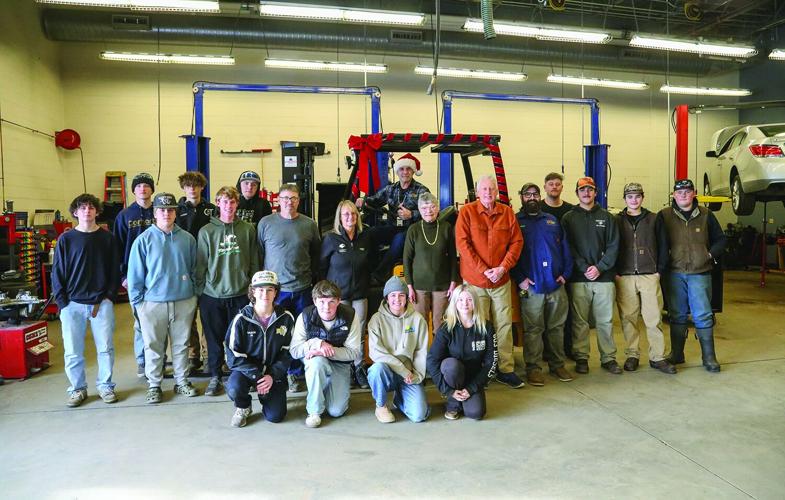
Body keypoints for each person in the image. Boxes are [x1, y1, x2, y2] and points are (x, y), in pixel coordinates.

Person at [127, 193, 200, 403]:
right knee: (153, 346)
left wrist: (193, 296)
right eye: (162, 210)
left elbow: (195, 269)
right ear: (155, 213)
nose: (166, 213)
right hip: (152, 303)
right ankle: (154, 385)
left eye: (170, 210)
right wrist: (138, 305)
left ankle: (182, 381)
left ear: (176, 213)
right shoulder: (143, 240)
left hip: (183, 300)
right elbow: (135, 276)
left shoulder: (187, 239)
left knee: (181, 344)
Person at [455, 175, 524, 388]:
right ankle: (481, 370)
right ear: (477, 193)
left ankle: (505, 369)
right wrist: (484, 270)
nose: (488, 193)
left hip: (501, 280)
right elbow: (463, 245)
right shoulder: (467, 212)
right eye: (484, 189)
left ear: (496, 191)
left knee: (504, 324)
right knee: (478, 326)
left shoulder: (507, 213)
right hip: (475, 281)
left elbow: (517, 242)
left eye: (491, 189)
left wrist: (503, 267)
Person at [52, 194, 120, 407]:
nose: (87, 211)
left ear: (97, 211)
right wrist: (63, 303)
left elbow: (115, 270)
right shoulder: (66, 239)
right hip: (72, 304)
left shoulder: (108, 238)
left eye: (91, 207)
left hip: (101, 304)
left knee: (105, 348)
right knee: (73, 352)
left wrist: (109, 296)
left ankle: (105, 386)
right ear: (75, 212)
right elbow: (57, 272)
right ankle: (77, 389)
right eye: (82, 208)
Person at [195, 186, 260, 397]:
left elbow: (254, 261)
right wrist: (201, 292)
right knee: (214, 339)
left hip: (240, 294)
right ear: (218, 203)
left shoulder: (248, 230)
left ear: (237, 204)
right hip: (212, 295)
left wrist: (253, 290)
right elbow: (200, 265)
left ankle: (240, 374)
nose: (229, 206)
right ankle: (215, 376)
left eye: (232, 202)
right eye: (225, 202)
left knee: (241, 338)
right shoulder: (206, 232)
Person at [657, 179, 727, 372]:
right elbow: (657, 241)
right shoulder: (664, 216)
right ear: (674, 195)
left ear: (694, 193)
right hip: (674, 273)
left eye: (687, 191)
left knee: (703, 314)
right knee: (676, 314)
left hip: (700, 273)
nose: (683, 195)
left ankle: (709, 357)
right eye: (679, 192)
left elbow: (721, 240)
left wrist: (708, 255)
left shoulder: (706, 215)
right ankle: (677, 354)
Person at [258, 183, 321, 392]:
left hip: (302, 288)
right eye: (285, 198)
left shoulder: (309, 224)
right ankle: (277, 372)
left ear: (298, 201)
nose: (289, 202)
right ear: (278, 200)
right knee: (278, 333)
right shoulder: (266, 223)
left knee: (301, 332)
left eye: (293, 198)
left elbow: (316, 254)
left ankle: (296, 372)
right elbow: (259, 254)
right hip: (276, 291)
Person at [510, 183, 574, 386]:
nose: (531, 197)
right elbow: (510, 253)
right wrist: (520, 278)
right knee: (533, 330)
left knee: (556, 328)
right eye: (527, 194)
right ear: (521, 197)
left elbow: (565, 248)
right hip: (532, 287)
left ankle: (557, 365)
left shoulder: (551, 220)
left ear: (540, 196)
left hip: (556, 285)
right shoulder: (515, 222)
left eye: (535, 194)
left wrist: (566, 274)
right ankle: (533, 368)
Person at [615, 183, 676, 375]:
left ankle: (657, 356)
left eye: (637, 196)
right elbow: (611, 245)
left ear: (643, 197)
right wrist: (615, 271)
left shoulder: (654, 219)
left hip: (649, 274)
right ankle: (632, 354)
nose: (634, 200)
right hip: (625, 276)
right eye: (630, 196)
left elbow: (664, 245)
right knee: (628, 318)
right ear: (624, 199)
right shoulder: (617, 220)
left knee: (653, 317)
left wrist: (659, 271)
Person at [562, 177, 621, 375]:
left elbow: (614, 246)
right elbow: (568, 247)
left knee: (605, 320)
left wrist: (600, 268)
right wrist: (584, 267)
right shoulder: (569, 218)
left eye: (590, 189)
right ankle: (581, 357)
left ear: (596, 192)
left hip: (604, 278)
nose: (586, 193)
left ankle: (608, 358)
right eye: (582, 190)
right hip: (579, 278)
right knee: (580, 322)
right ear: (577, 193)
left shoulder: (607, 217)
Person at [225, 271, 295, 427]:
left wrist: (271, 376)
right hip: (247, 371)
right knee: (234, 388)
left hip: (272, 372)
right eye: (260, 289)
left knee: (276, 416)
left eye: (270, 289)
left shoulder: (286, 318)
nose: (265, 294)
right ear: (253, 292)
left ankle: (267, 397)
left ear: (276, 292)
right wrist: (258, 377)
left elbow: (288, 352)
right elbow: (233, 356)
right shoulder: (241, 319)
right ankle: (243, 406)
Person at [289, 280, 362, 428]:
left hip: (340, 362)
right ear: (315, 301)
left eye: (331, 302)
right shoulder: (305, 316)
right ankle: (314, 411)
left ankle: (327, 387)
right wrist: (317, 343)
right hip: (315, 360)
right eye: (322, 302)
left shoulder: (350, 316)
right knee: (316, 363)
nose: (326, 307)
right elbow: (295, 351)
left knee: (336, 411)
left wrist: (327, 351)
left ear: (339, 301)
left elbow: (354, 352)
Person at [319, 200, 373, 388]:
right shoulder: (330, 239)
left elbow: (373, 262)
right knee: (341, 332)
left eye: (353, 213)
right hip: (338, 296)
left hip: (360, 294)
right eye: (346, 214)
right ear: (340, 218)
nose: (350, 217)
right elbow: (321, 266)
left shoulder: (365, 237)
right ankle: (345, 368)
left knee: (359, 331)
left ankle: (359, 367)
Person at [426, 285, 498, 421]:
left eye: (469, 299)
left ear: (475, 302)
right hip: (453, 375)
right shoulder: (446, 328)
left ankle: (464, 400)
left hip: (473, 378)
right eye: (460, 300)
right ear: (454, 303)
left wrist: (472, 388)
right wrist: (447, 390)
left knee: (476, 413)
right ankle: (453, 403)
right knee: (451, 365)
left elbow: (491, 362)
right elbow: (432, 360)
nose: (465, 303)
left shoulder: (487, 327)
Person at [356, 153, 430, 283]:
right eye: (402, 169)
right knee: (369, 233)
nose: (405, 172)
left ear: (413, 171)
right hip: (393, 227)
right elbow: (375, 200)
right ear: (397, 171)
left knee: (399, 239)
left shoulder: (421, 190)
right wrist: (363, 200)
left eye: (408, 169)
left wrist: (412, 214)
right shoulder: (391, 189)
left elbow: (430, 210)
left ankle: (379, 275)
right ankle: (369, 269)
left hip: (413, 230)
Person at [367, 277, 430, 424]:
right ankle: (381, 406)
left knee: (419, 416)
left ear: (407, 298)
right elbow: (376, 353)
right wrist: (402, 370)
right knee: (376, 370)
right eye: (393, 295)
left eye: (401, 295)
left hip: (408, 375)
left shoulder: (418, 319)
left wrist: (417, 376)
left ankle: (400, 399)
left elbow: (421, 351)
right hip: (387, 372)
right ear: (387, 298)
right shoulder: (376, 320)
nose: (397, 299)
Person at [113, 172, 155, 377]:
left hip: (157, 276)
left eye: (146, 185)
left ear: (152, 190)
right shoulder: (124, 216)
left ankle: (157, 359)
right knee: (139, 322)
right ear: (133, 190)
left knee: (158, 322)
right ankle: (142, 360)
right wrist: (123, 276)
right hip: (134, 277)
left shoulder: (160, 211)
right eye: (139, 186)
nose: (143, 189)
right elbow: (118, 247)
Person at [403, 192, 459, 334]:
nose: (428, 211)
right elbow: (406, 259)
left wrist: (453, 282)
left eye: (432, 207)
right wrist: (409, 286)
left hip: (442, 285)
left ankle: (438, 350)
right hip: (419, 287)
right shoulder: (413, 230)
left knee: (440, 325)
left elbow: (453, 257)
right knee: (420, 325)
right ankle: (422, 350)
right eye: (424, 208)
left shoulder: (446, 228)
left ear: (438, 207)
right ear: (419, 210)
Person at [176, 171, 215, 373]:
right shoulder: (176, 210)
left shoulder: (212, 209)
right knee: (187, 316)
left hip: (208, 267)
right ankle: (193, 355)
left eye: (196, 185)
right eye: (188, 185)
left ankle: (208, 354)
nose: (192, 189)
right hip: (185, 268)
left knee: (207, 315)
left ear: (202, 187)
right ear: (183, 188)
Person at [539, 172, 575, 358]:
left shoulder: (571, 211)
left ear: (562, 187)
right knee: (541, 315)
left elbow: (571, 242)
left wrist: (568, 271)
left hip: (564, 271)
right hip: (541, 272)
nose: (554, 187)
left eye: (557, 184)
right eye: (551, 184)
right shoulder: (537, 209)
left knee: (565, 314)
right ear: (545, 187)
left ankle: (566, 348)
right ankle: (545, 351)